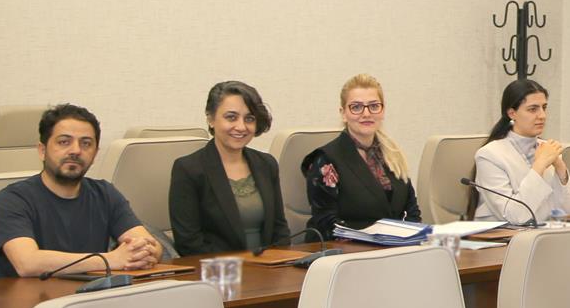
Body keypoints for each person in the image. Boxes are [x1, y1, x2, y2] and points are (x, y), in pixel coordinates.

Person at [0, 103, 161, 278]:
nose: (76, 151)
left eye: (86, 144)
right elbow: (27, 263)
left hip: (90, 293)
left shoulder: (105, 193)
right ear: (42, 151)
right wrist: (110, 259)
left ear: (95, 155)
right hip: (28, 294)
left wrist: (144, 252)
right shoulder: (13, 199)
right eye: (64, 142)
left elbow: (152, 246)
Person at [168, 80, 287, 257]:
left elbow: (280, 229)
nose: (241, 127)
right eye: (231, 117)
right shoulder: (188, 169)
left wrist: (280, 262)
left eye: (249, 119)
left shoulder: (266, 164)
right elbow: (189, 243)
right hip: (218, 269)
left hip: (269, 266)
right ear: (211, 119)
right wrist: (240, 265)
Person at [302, 74, 420, 240]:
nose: (366, 113)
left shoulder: (393, 156)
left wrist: (409, 239)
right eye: (356, 107)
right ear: (343, 113)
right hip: (347, 251)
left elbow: (412, 213)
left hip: (395, 249)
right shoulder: (326, 160)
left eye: (374, 106)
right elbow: (326, 224)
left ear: (383, 111)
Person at [471, 77, 570, 225]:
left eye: (544, 107)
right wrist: (540, 165)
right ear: (512, 113)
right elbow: (515, 217)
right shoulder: (489, 155)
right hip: (504, 236)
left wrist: (560, 167)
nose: (542, 115)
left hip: (543, 234)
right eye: (533, 109)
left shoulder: (548, 149)